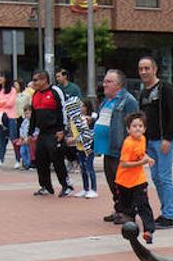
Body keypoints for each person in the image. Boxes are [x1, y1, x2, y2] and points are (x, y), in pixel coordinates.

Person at [137, 56, 173, 228]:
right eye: (141, 69)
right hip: (149, 142)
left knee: (164, 177)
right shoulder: (144, 92)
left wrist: (168, 138)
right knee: (156, 177)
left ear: (154, 69)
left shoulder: (165, 89)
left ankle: (169, 216)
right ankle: (165, 212)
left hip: (163, 141)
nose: (144, 72)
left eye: (147, 68)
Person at [94, 69, 139, 225]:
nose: (104, 84)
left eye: (109, 81)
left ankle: (128, 213)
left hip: (120, 150)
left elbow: (134, 126)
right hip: (107, 149)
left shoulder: (128, 101)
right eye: (104, 81)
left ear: (119, 84)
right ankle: (119, 209)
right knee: (113, 182)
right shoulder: (107, 100)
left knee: (123, 183)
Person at [28, 70, 73, 197]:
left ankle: (66, 185)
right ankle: (46, 186)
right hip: (42, 133)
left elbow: (63, 110)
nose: (34, 82)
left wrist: (62, 130)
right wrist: (30, 133)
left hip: (54, 132)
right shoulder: (35, 95)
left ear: (44, 80)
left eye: (36, 80)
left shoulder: (55, 91)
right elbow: (33, 115)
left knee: (57, 159)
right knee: (40, 160)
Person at [115, 111, 156, 243]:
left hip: (139, 180)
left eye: (140, 126)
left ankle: (148, 231)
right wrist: (142, 162)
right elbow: (124, 164)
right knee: (127, 209)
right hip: (124, 181)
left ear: (144, 129)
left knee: (143, 204)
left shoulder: (143, 139)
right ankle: (131, 231)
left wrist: (148, 158)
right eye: (134, 126)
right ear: (128, 129)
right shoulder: (128, 143)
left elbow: (142, 153)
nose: (137, 128)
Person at [65, 95, 98, 199]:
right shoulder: (75, 119)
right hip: (80, 147)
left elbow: (88, 134)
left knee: (89, 167)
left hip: (89, 147)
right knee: (83, 168)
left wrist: (74, 140)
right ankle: (86, 188)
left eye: (83, 106)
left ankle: (93, 189)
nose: (81, 108)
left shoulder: (90, 119)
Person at [0, 72, 18, 168]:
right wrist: (3, 101)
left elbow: (11, 103)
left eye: (2, 76)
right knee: (0, 140)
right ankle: (0, 159)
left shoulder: (13, 90)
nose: (0, 78)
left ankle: (18, 159)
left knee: (14, 139)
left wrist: (0, 102)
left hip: (10, 117)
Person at [11, 79, 33, 169]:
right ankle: (19, 160)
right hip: (16, 118)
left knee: (27, 145)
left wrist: (29, 114)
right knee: (18, 141)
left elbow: (30, 105)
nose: (14, 87)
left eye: (16, 85)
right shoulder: (13, 95)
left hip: (24, 117)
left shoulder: (26, 95)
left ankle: (28, 162)